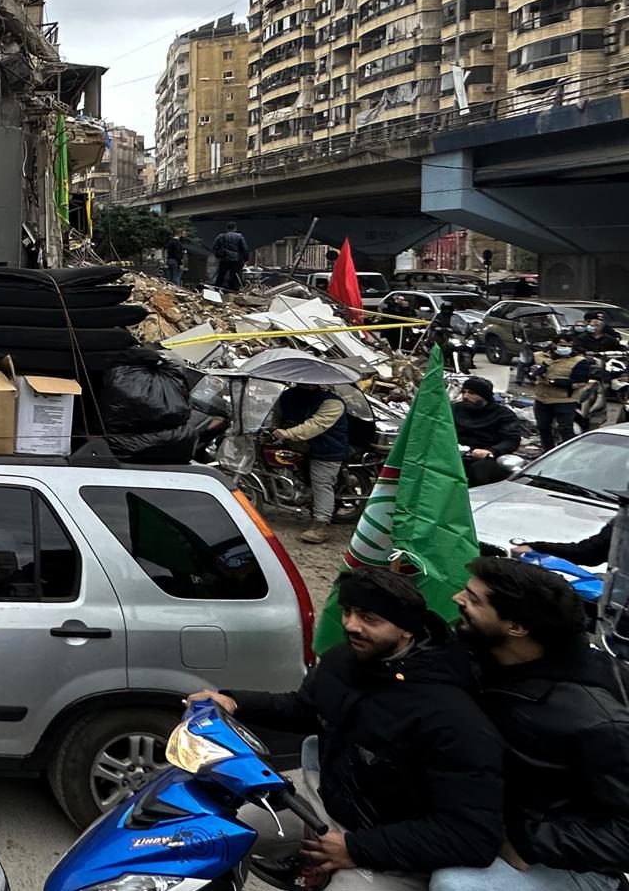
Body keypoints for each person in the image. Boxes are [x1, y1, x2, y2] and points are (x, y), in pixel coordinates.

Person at [192, 568, 504, 891]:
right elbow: (306, 708)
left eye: (369, 618)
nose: (351, 625)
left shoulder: (451, 714)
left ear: (406, 631)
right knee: (220, 835)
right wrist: (233, 701)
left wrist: (355, 848)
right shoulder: (345, 659)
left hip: (394, 854)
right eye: (348, 611)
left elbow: (471, 835)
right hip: (322, 812)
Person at [435, 558, 629, 891]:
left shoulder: (599, 718)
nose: (457, 599)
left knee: (455, 884)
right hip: (482, 818)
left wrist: (528, 841)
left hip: (564, 860)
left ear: (516, 628)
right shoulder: (485, 652)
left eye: (474, 599)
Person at [265, 382, 351, 545]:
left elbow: (315, 425)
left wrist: (287, 433)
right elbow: (276, 415)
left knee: (322, 483)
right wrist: (272, 428)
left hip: (326, 449)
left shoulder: (332, 402)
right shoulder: (288, 396)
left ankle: (321, 525)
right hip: (297, 445)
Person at [524, 333, 595, 450]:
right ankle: (548, 452)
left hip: (564, 400)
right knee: (543, 427)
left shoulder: (579, 361)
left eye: (568, 346)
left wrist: (552, 381)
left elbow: (579, 382)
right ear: (554, 344)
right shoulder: (539, 356)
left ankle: (568, 453)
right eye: (562, 345)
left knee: (565, 429)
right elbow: (526, 370)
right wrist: (533, 372)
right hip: (542, 399)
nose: (565, 348)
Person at [455, 376, 527, 485]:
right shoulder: (456, 409)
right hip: (456, 452)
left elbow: (511, 440)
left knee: (479, 472)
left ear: (484, 396)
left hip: (486, 456)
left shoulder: (503, 414)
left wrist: (491, 451)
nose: (465, 396)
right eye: (463, 392)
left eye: (471, 393)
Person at [512, 523, 611, 568]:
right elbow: (589, 553)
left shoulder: (624, 521)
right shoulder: (623, 521)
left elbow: (588, 553)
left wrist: (535, 547)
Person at [211, 223, 251, 290]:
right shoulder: (239, 236)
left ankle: (217, 290)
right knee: (234, 277)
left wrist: (219, 255)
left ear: (227, 228)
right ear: (235, 228)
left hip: (224, 259)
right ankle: (232, 291)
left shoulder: (221, 236)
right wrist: (246, 258)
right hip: (236, 260)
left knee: (221, 276)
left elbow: (215, 247)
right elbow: (245, 248)